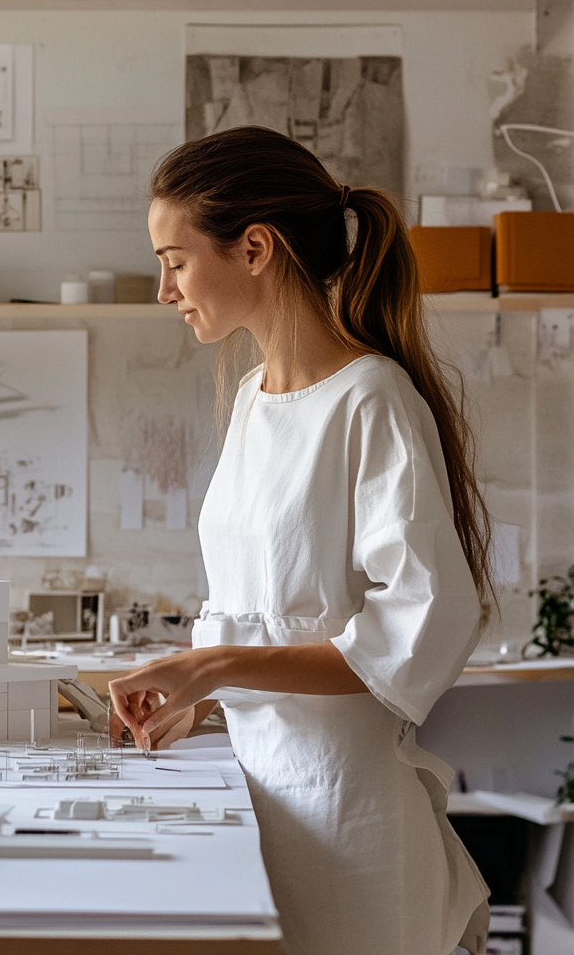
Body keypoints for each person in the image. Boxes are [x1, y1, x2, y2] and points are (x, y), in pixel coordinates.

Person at [108, 126, 492, 955]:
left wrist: (209, 665)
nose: (166, 288)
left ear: (254, 248)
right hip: (260, 803)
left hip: (348, 822)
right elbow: (270, 611)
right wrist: (198, 699)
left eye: (175, 260)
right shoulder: (251, 398)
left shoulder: (370, 401)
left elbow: (418, 626)